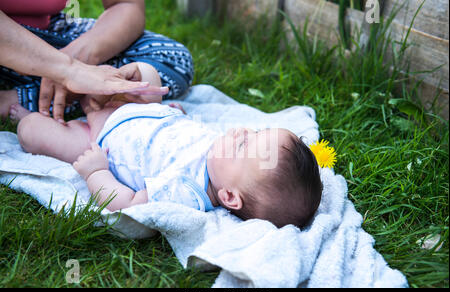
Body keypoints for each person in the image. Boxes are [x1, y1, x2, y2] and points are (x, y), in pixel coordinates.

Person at [16, 62, 323, 229]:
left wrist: (96, 173)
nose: (242, 130)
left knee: (31, 132)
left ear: (229, 196)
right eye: (256, 132)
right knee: (147, 74)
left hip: (100, 141)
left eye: (245, 144)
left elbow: (130, 206)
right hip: (138, 108)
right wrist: (176, 116)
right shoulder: (220, 155)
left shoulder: (186, 192)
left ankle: (24, 106)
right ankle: (103, 77)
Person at [0, 0, 193, 123]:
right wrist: (67, 69)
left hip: (48, 30)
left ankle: (18, 99)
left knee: (170, 57)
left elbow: (125, 4)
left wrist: (79, 57)